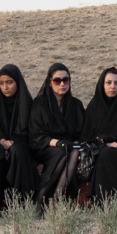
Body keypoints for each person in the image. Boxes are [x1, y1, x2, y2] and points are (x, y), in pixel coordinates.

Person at [81, 67, 117, 201]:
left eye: (116, 83)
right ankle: (105, 202)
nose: (113, 86)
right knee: (107, 153)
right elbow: (86, 137)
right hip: (100, 151)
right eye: (108, 83)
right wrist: (104, 142)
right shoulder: (94, 107)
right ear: (102, 84)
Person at [0, 64, 39, 208]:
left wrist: (13, 142)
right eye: (1, 83)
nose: (5, 87)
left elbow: (30, 129)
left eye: (9, 82)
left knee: (17, 150)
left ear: (17, 82)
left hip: (22, 143)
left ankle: (20, 201)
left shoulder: (27, 102)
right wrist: (2, 140)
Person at [30, 63, 85, 204]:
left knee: (72, 152)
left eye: (66, 80)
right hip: (45, 147)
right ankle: (41, 198)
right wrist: (57, 143)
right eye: (57, 80)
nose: (62, 84)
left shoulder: (76, 104)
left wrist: (75, 143)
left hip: (69, 147)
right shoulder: (39, 104)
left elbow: (81, 131)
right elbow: (36, 134)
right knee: (63, 153)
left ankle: (55, 201)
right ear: (50, 83)